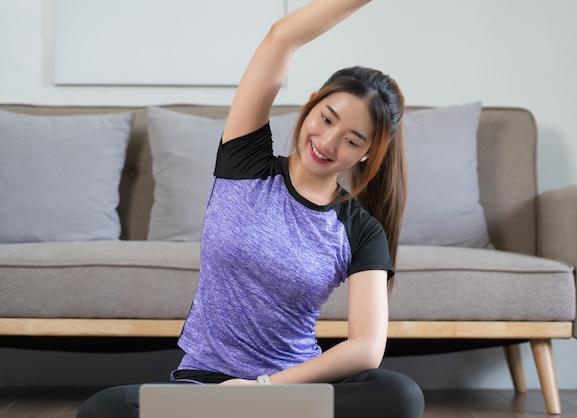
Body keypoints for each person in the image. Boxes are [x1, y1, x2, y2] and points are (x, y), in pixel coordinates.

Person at [77, 1, 424, 417]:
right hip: (208, 391)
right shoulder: (246, 163)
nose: (328, 143)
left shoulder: (360, 229)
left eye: (352, 140)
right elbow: (282, 37)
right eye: (327, 118)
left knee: (400, 394)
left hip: (289, 395)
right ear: (311, 103)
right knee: (104, 409)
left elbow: (367, 349)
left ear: (369, 153)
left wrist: (262, 389)